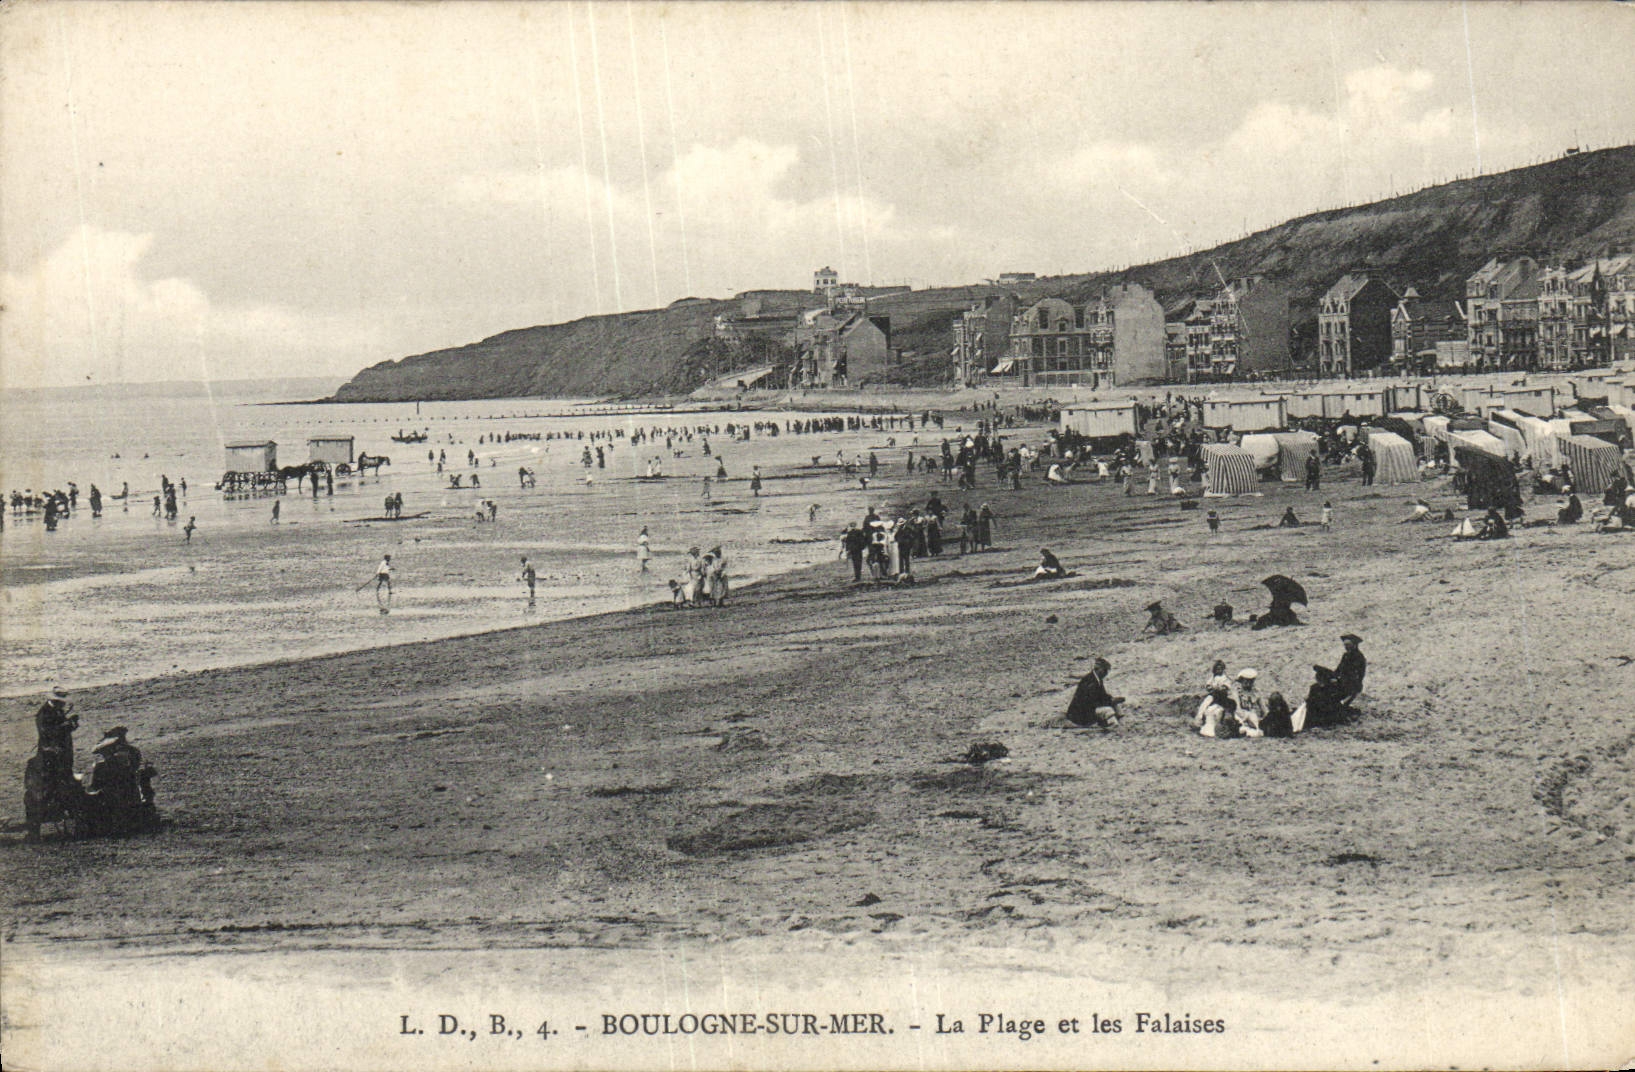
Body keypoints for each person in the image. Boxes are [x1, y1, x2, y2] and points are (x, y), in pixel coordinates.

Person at [34, 687, 78, 791]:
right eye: (62, 702)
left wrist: (72, 725)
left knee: (65, 768)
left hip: (62, 747)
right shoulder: (44, 713)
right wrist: (66, 725)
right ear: (55, 701)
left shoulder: (57, 710)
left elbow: (61, 726)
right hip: (52, 749)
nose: (64, 704)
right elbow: (47, 732)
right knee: (53, 774)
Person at [1065, 657, 1123, 728]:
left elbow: (1102, 695)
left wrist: (1112, 699)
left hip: (1089, 709)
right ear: (1099, 669)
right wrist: (1109, 701)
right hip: (1080, 714)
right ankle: (1114, 727)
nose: (1106, 673)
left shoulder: (1097, 679)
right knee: (1108, 710)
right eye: (1105, 670)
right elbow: (1091, 701)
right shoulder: (1089, 681)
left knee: (1115, 705)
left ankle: (1121, 722)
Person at [1234, 669, 1266, 736]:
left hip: (1254, 716)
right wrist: (1245, 716)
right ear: (1241, 681)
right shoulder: (1237, 692)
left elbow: (1263, 708)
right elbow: (1237, 708)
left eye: (1251, 682)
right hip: (1242, 715)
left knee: (1253, 718)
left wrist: (1265, 717)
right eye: (1246, 681)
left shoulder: (1256, 692)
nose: (1248, 684)